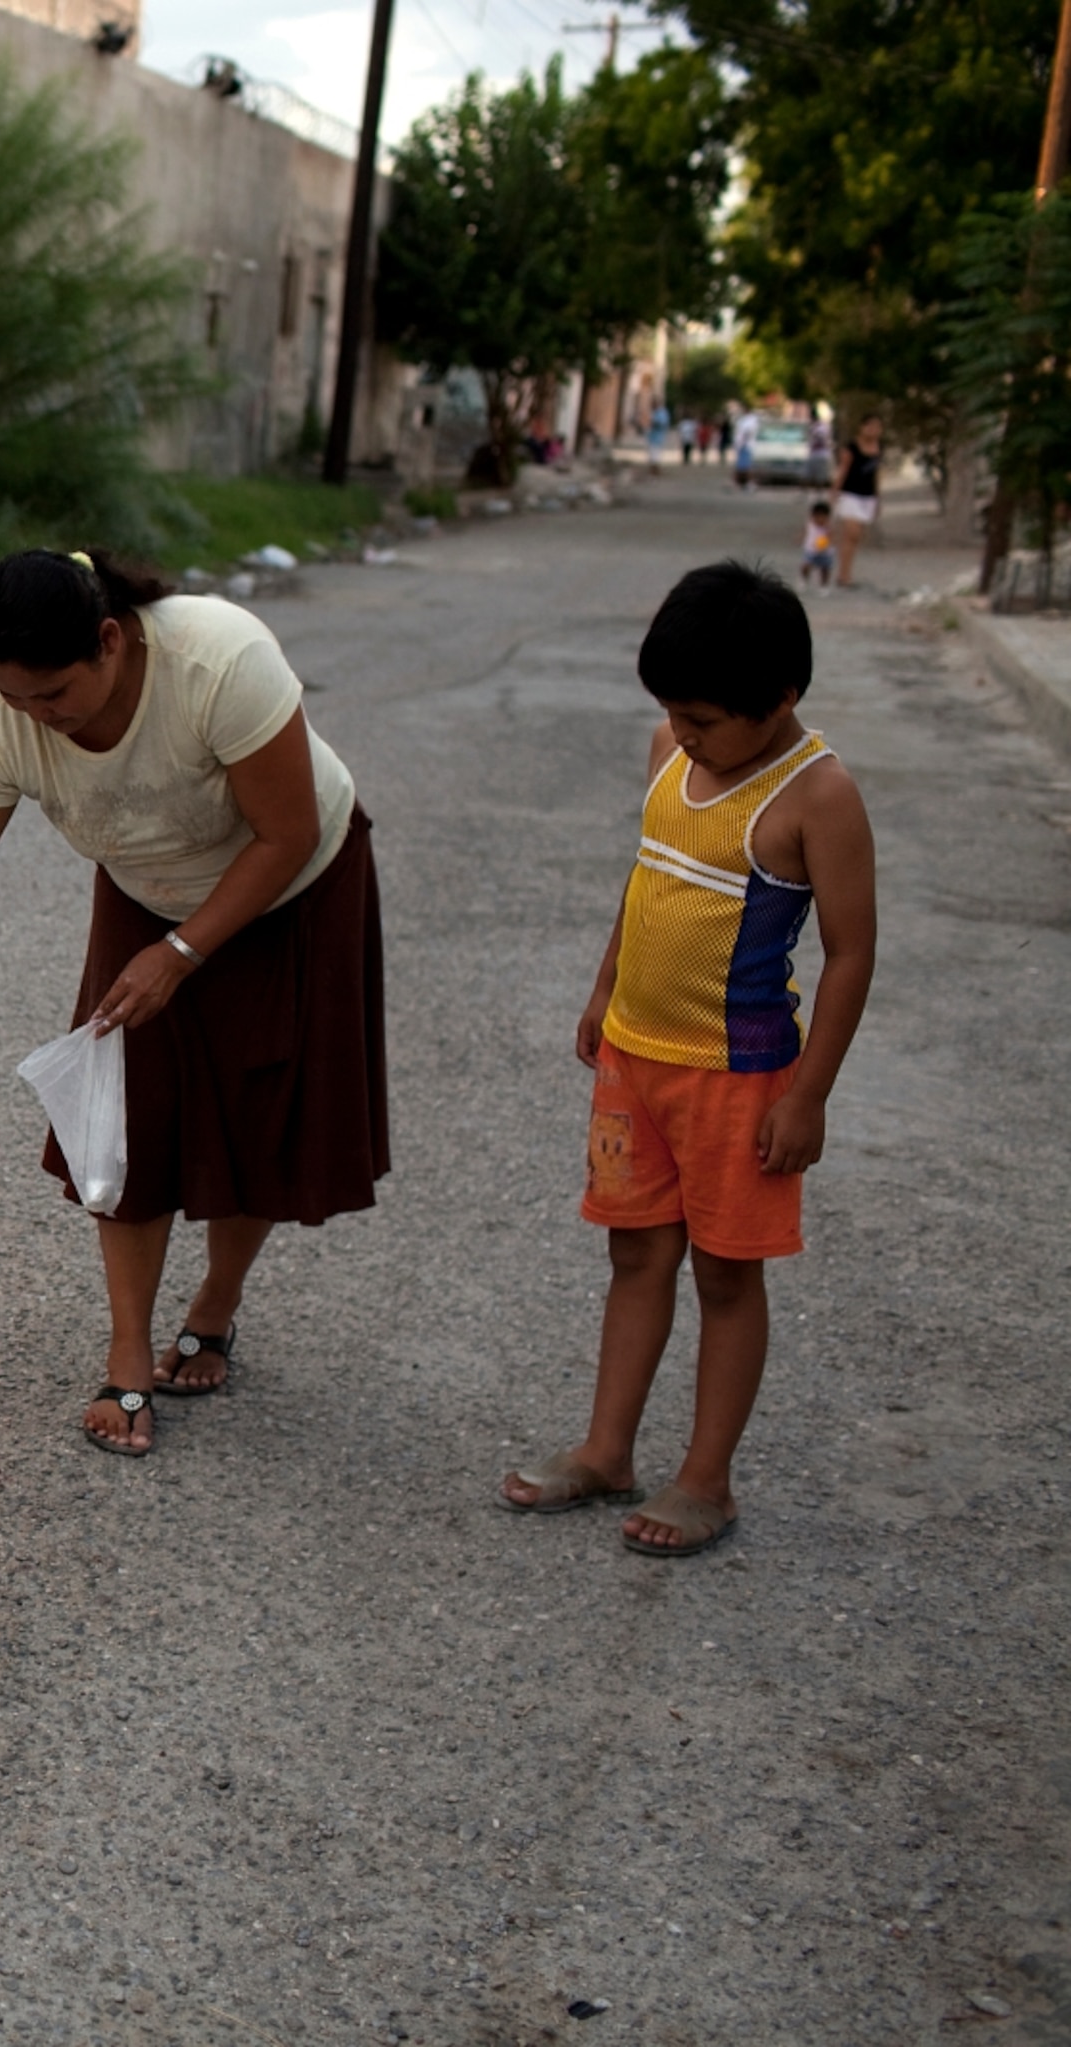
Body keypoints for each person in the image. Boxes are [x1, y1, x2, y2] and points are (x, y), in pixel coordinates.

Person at [0, 549, 387, 1458]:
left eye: (54, 695)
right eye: (14, 698)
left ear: (109, 641)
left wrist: (182, 952)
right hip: (149, 887)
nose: (38, 720)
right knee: (125, 1119)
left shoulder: (220, 663)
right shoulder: (5, 721)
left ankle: (215, 1304)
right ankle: (129, 1351)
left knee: (260, 1108)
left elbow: (287, 830)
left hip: (289, 886)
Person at [504, 563, 874, 1554]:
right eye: (676, 714)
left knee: (724, 1273)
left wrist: (809, 1095)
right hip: (637, 1058)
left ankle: (706, 1479)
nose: (688, 735)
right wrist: (603, 986)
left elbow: (851, 951)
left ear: (781, 700)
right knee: (635, 1252)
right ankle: (606, 1448)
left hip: (737, 1075)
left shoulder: (817, 795)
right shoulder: (671, 748)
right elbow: (648, 880)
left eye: (706, 719)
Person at [831, 414, 886, 590]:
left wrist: (878, 498)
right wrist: (834, 492)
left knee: (856, 538)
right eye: (870, 426)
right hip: (850, 494)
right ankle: (843, 575)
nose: (873, 431)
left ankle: (847, 572)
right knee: (850, 534)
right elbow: (843, 470)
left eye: (877, 427)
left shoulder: (878, 448)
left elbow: (876, 474)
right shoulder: (852, 447)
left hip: (867, 496)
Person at [800, 501, 834, 587]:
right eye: (817, 516)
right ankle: (803, 579)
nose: (820, 519)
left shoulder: (828, 527)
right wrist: (799, 539)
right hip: (811, 550)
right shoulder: (810, 525)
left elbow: (831, 536)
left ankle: (824, 584)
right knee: (806, 566)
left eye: (823, 517)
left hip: (824, 551)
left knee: (825, 569)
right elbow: (805, 533)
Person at [731, 407, 758, 492]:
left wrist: (742, 443)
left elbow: (747, 432)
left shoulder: (751, 420)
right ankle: (738, 484)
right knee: (740, 467)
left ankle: (750, 484)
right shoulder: (745, 420)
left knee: (745, 467)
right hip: (742, 445)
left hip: (745, 446)